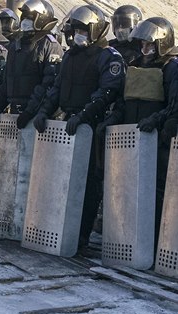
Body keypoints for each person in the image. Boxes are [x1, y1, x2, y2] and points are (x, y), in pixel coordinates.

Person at [33, 5, 125, 248]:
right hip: (67, 122)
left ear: (95, 30)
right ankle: (58, 228)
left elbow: (107, 91)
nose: (78, 35)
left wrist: (85, 115)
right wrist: (44, 111)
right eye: (76, 30)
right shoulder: (70, 56)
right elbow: (56, 88)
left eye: (83, 30)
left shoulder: (108, 56)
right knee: (59, 177)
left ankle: (82, 235)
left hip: (91, 125)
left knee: (88, 183)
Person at [97, 17, 178, 244]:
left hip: (156, 141)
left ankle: (154, 243)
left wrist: (157, 120)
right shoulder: (134, 66)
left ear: (162, 43)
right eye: (142, 44)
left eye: (150, 44)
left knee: (156, 193)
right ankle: (128, 241)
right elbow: (124, 102)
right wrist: (111, 120)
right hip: (132, 141)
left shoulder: (171, 68)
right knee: (128, 190)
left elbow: (175, 104)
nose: (145, 49)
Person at [0, 0, 63, 128]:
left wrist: (30, 111)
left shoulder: (50, 46)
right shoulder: (15, 46)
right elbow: (6, 81)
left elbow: (48, 84)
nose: (25, 21)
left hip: (36, 117)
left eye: (30, 18)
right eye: (24, 17)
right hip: (14, 113)